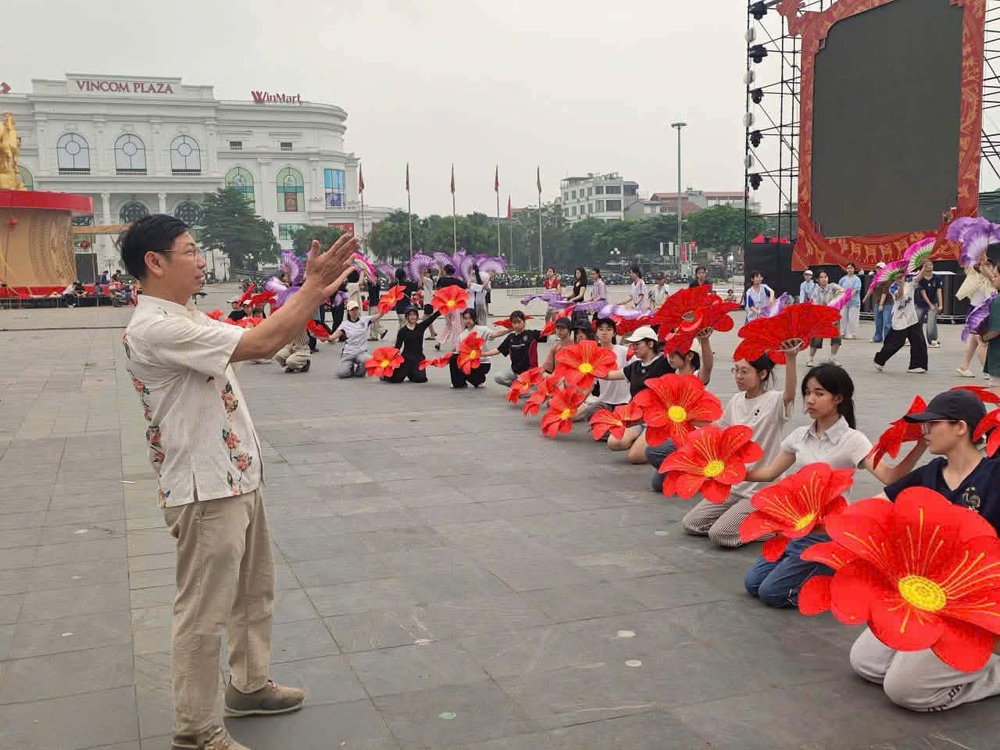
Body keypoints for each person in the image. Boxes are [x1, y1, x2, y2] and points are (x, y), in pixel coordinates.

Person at [119, 215, 357, 750]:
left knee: (253, 592)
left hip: (234, 475)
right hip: (205, 489)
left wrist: (305, 293)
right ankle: (197, 729)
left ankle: (249, 685)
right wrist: (312, 287)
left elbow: (263, 339)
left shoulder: (184, 315)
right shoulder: (156, 326)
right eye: (190, 250)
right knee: (203, 611)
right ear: (154, 263)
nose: (201, 259)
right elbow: (263, 340)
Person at [850, 389, 1000, 712]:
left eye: (932, 424)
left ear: (961, 427)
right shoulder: (930, 474)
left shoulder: (995, 477)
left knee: (905, 691)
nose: (925, 431)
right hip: (925, 597)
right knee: (865, 664)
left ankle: (992, 670)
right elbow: (877, 509)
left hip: (973, 608)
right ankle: (927, 654)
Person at [742, 364, 922, 608]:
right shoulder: (799, 435)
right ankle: (819, 567)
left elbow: (889, 477)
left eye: (819, 393)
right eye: (807, 392)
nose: (810, 399)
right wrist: (731, 472)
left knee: (770, 594)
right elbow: (769, 473)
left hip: (827, 534)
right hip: (797, 530)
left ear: (838, 398)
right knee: (752, 583)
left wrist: (920, 445)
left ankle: (834, 573)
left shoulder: (852, 440)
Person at [676, 348, 798, 545]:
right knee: (691, 524)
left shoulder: (774, 401)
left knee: (720, 535)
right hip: (734, 485)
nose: (738, 377)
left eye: (744, 371)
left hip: (760, 489)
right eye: (736, 370)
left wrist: (791, 357)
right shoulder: (736, 400)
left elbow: (790, 393)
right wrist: (691, 419)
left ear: (762, 374)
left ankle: (777, 529)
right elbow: (720, 428)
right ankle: (743, 520)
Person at [602, 325, 674, 461]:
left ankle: (658, 445)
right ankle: (642, 441)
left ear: (651, 343)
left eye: (637, 344)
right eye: (632, 345)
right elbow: (609, 375)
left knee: (634, 458)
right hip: (637, 418)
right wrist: (587, 367)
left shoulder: (665, 362)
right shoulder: (634, 367)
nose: (633, 348)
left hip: (658, 421)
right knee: (614, 443)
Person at [574, 317, 632, 422]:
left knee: (618, 425)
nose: (604, 332)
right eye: (601, 329)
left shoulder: (624, 351)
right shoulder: (593, 355)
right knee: (590, 412)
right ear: (596, 333)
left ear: (614, 333)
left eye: (608, 329)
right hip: (605, 401)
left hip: (624, 401)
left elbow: (638, 368)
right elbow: (591, 385)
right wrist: (575, 405)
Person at [874, 275, 928, 374]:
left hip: (911, 316)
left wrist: (924, 268)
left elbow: (919, 277)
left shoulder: (910, 281)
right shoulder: (893, 287)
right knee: (897, 342)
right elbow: (900, 295)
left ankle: (917, 365)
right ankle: (879, 360)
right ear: (894, 278)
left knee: (918, 340)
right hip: (900, 318)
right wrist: (901, 284)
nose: (900, 278)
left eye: (901, 276)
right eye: (897, 277)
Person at [483, 310, 547, 386]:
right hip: (515, 371)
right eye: (514, 322)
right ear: (511, 323)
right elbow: (497, 350)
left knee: (545, 377)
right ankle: (518, 387)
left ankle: (523, 387)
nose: (517, 325)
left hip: (530, 371)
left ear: (524, 322)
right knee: (498, 377)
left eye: (519, 322)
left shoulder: (532, 334)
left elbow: (548, 332)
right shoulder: (510, 338)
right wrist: (481, 354)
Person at [957, 257, 995, 377]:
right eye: (986, 265)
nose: (988, 267)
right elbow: (969, 268)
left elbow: (989, 274)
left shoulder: (991, 280)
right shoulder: (975, 276)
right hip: (977, 313)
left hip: (985, 313)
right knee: (982, 342)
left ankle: (964, 366)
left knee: (974, 341)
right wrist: (979, 258)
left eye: (990, 265)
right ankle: (987, 370)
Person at [450, 308, 507, 388]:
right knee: (453, 358)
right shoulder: (461, 335)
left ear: (475, 318)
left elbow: (494, 334)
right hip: (469, 362)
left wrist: (509, 330)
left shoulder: (482, 329)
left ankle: (480, 379)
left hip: (482, 362)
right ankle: (459, 383)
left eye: (470, 318)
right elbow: (459, 352)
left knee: (467, 366)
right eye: (465, 318)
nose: (468, 321)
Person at [332, 299, 387, 378]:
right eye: (352, 310)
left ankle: (363, 369)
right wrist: (319, 335)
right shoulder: (344, 324)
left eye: (356, 309)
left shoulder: (365, 320)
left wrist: (386, 306)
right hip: (348, 353)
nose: (354, 311)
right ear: (348, 311)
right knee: (342, 374)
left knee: (368, 365)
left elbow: (378, 315)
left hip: (361, 353)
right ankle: (350, 367)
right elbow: (332, 337)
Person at [386, 304, 441, 383]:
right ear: (407, 316)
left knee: (420, 379)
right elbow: (397, 347)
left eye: (414, 315)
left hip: (418, 359)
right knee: (395, 379)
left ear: (417, 316)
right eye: (410, 315)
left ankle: (411, 373)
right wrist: (390, 360)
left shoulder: (421, 327)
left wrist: (443, 309)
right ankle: (385, 376)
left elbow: (432, 318)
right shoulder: (402, 331)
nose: (412, 317)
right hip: (405, 359)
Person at [806, 271, 844, 366]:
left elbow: (843, 291)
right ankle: (810, 359)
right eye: (822, 277)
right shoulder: (815, 290)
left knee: (836, 337)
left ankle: (832, 358)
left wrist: (840, 293)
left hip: (833, 317)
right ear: (817, 280)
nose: (824, 279)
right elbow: (815, 304)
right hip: (821, 318)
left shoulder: (833, 286)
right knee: (816, 338)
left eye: (825, 277)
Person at [434, 263, 467, 351]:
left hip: (445, 305)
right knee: (456, 325)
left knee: (448, 324)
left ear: (445, 271)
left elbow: (437, 289)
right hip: (454, 305)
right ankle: (455, 346)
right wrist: (460, 280)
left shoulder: (441, 280)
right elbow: (465, 286)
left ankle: (439, 342)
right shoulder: (456, 281)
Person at [914, 260, 943, 348]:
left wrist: (940, 304)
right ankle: (915, 340)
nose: (930, 266)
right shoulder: (920, 278)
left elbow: (939, 291)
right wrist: (930, 305)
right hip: (920, 304)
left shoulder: (936, 278)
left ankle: (933, 340)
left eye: (931, 264)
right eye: (928, 265)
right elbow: (923, 293)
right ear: (923, 267)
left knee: (931, 322)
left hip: (933, 303)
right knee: (917, 322)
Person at [862, 263, 893, 344]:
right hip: (877, 303)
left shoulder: (888, 278)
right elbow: (871, 289)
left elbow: (884, 292)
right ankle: (878, 337)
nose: (879, 270)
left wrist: (881, 304)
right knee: (878, 322)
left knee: (887, 323)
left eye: (881, 268)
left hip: (888, 303)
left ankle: (888, 339)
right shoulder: (875, 279)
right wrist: (865, 298)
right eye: (877, 268)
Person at [837, 263, 863, 339]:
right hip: (844, 303)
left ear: (854, 269)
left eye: (851, 268)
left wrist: (848, 297)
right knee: (843, 318)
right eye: (848, 268)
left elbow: (855, 290)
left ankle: (852, 333)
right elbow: (839, 289)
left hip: (854, 302)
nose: (849, 269)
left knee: (852, 319)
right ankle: (842, 332)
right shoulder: (843, 279)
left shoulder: (857, 279)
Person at [367, 274, 387, 341]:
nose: (369, 278)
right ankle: (380, 332)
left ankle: (379, 332)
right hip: (375, 304)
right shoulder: (376, 284)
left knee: (372, 320)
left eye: (371, 276)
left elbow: (369, 282)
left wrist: (365, 272)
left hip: (374, 305)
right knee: (374, 320)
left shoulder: (374, 285)